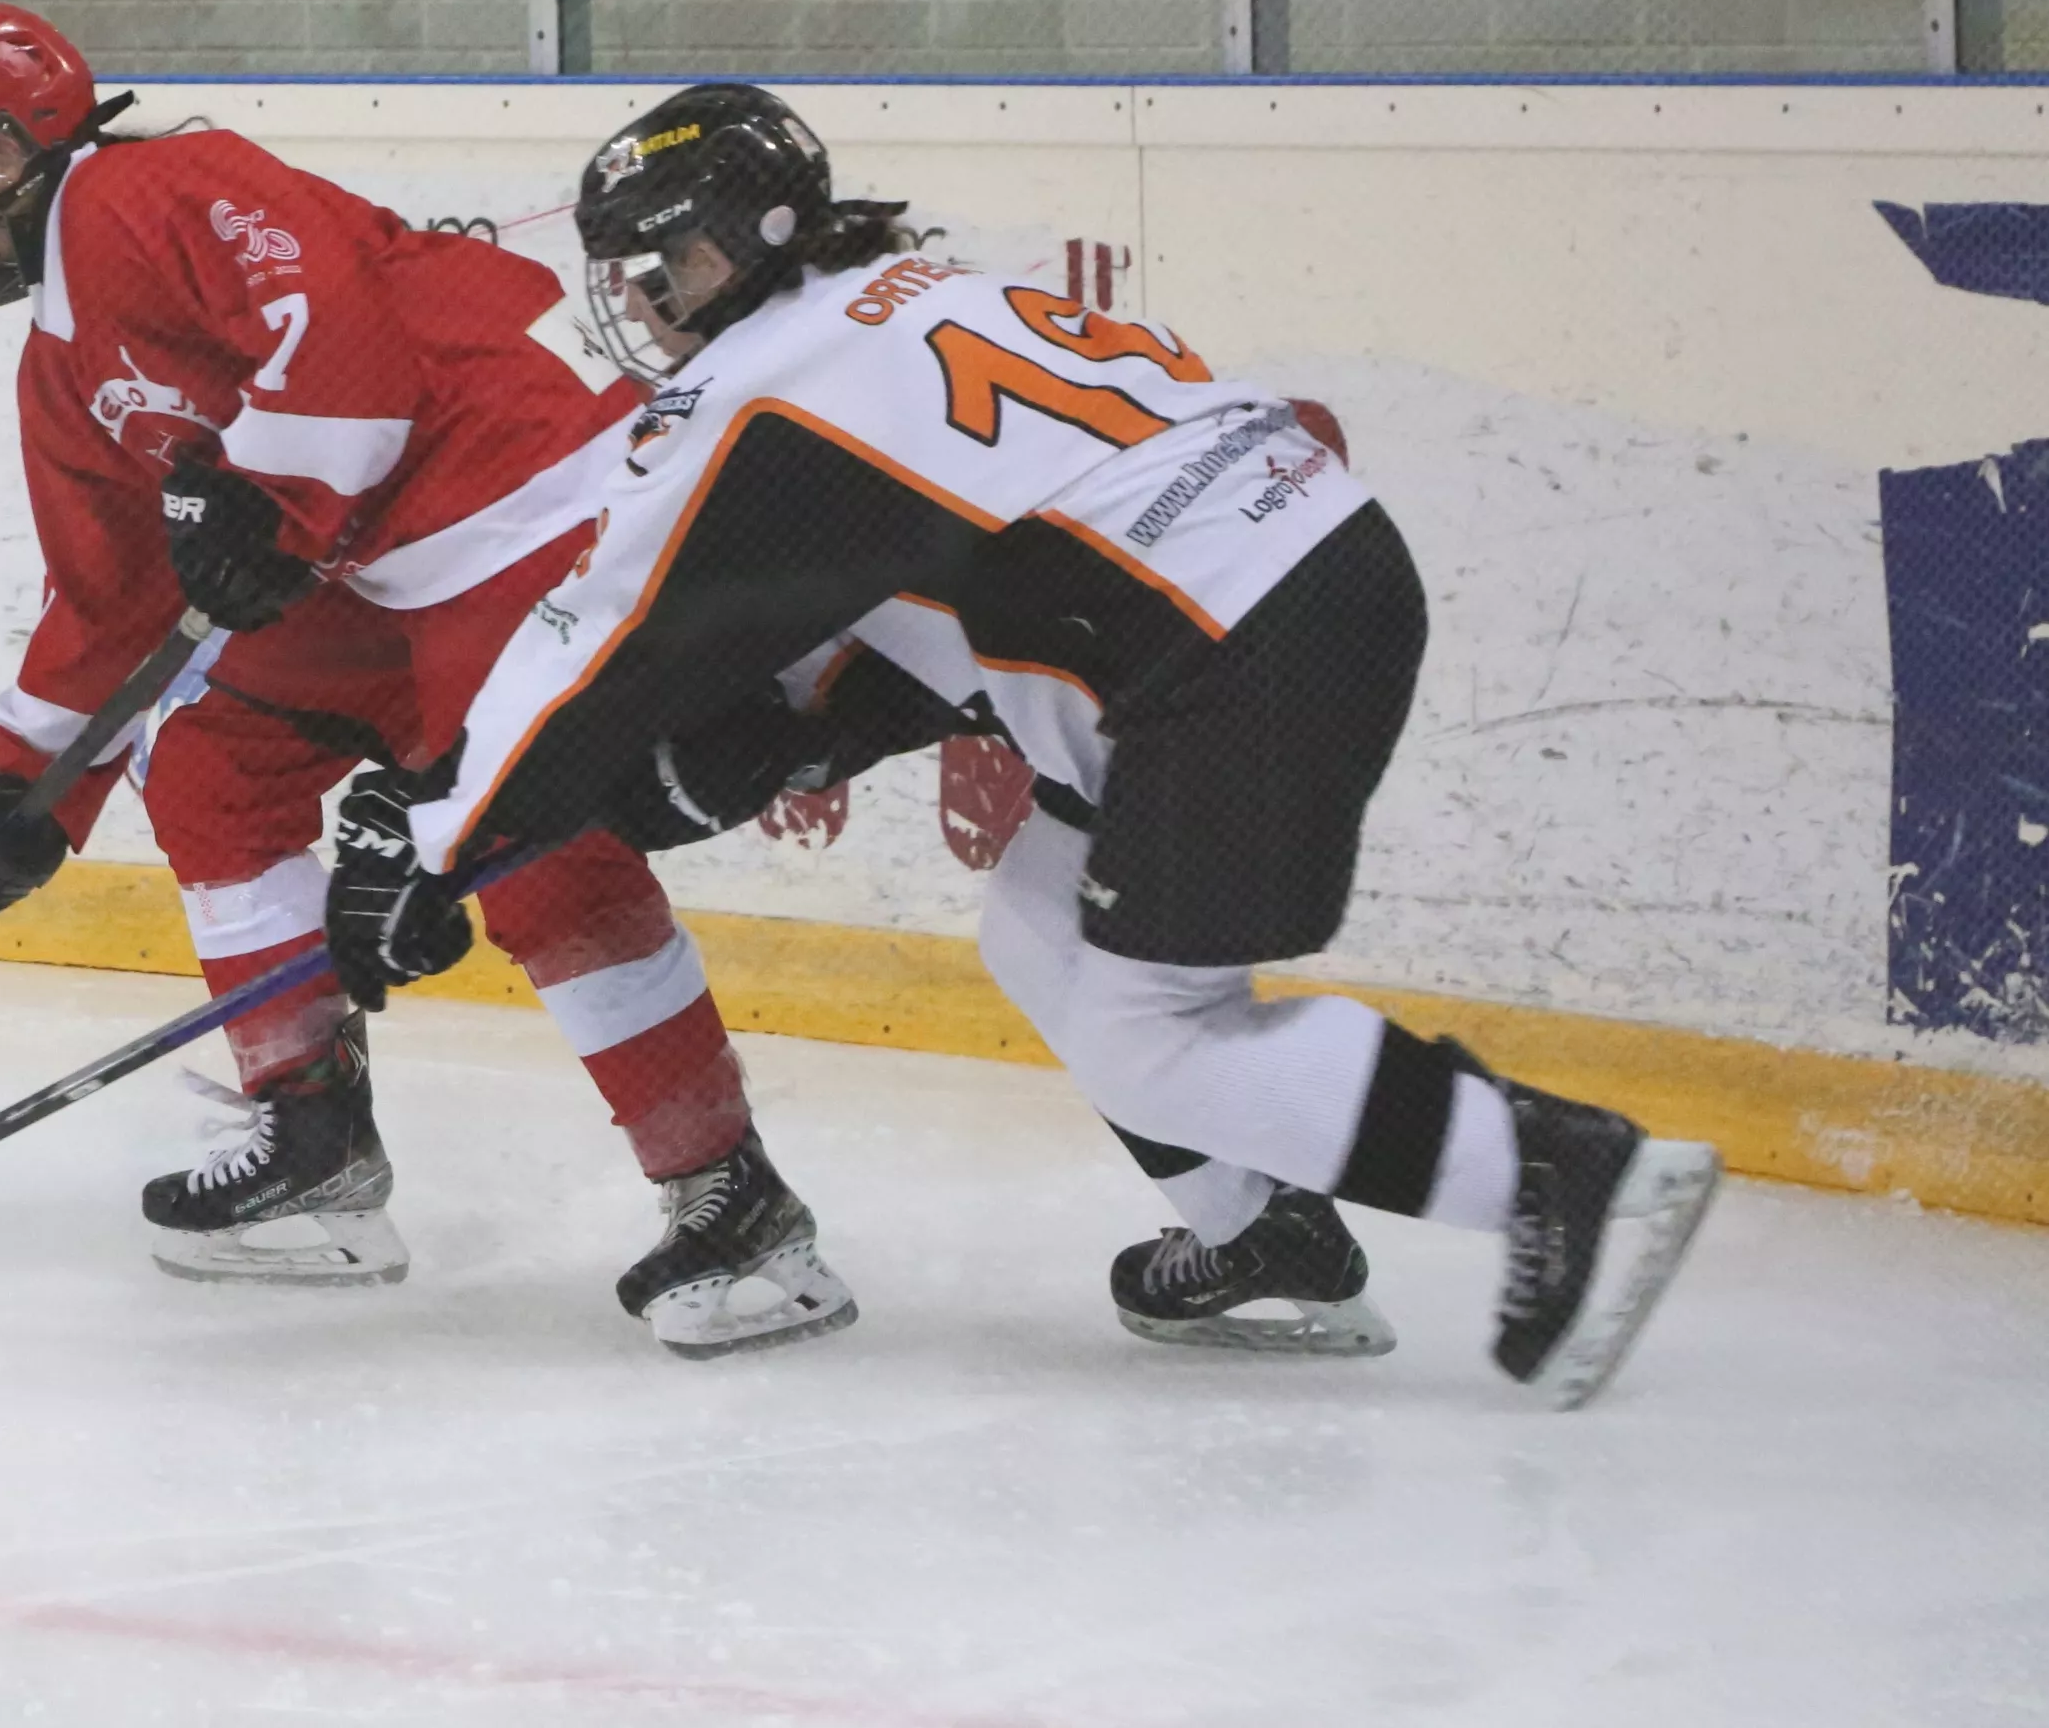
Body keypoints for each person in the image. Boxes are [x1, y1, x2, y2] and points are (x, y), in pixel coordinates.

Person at [320, 82, 1720, 1409]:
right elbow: (937, 582)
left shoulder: (760, 391)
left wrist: (440, 838)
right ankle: (1261, 1237)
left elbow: (605, 642)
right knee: (1041, 926)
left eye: (658, 262)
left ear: (747, 240)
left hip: (1223, 647)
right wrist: (789, 737)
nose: (637, 300)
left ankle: (1557, 1172)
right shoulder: (911, 297)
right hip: (1282, 584)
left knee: (1148, 1034)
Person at [0, 6, 855, 1358]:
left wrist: (270, 494)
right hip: (367, 566)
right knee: (210, 756)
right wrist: (20, 785)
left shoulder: (153, 185)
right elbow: (114, 599)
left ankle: (733, 1204)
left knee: (536, 854)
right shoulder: (59, 363)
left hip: (516, 501)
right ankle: (311, 1135)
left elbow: (339, 327)